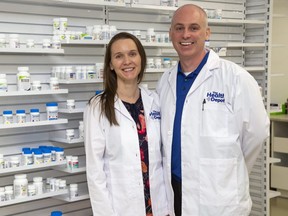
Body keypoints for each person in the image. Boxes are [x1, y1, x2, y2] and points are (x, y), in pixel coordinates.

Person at [156, 4, 270, 216]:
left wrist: (229, 169)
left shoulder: (235, 78)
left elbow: (257, 133)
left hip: (219, 198)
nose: (186, 34)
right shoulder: (165, 81)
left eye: (194, 27)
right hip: (176, 193)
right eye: (179, 28)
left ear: (207, 32)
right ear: (171, 33)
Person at [84, 32, 172, 216]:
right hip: (122, 208)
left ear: (141, 58)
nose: (127, 61)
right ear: (110, 64)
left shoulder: (155, 101)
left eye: (132, 54)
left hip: (159, 205)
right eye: (118, 56)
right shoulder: (97, 107)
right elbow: (95, 172)